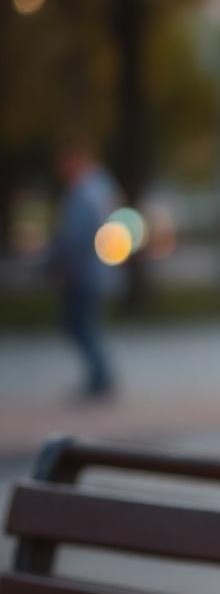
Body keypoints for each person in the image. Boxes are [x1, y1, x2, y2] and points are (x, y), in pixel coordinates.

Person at [44, 137, 120, 400]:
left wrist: (53, 263)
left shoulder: (84, 192)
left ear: (75, 160)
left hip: (85, 271)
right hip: (96, 270)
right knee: (84, 325)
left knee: (79, 326)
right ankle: (100, 377)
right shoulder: (101, 187)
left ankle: (101, 377)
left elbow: (74, 236)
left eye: (65, 162)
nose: (61, 169)